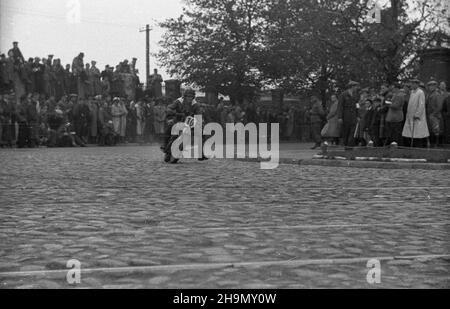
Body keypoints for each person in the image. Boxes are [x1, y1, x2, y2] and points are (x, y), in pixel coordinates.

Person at [161, 88, 207, 161]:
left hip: (189, 122)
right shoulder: (178, 101)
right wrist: (172, 112)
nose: (189, 98)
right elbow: (169, 108)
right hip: (178, 119)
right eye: (188, 96)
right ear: (184, 96)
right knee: (169, 127)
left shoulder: (195, 104)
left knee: (202, 132)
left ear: (193, 97)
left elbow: (199, 114)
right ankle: (164, 145)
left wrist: (201, 122)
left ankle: (200, 153)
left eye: (191, 96)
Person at [402, 78, 429, 148]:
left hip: (417, 117)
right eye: (412, 83)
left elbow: (421, 104)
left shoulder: (420, 92)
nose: (412, 85)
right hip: (410, 116)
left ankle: (419, 148)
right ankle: (413, 147)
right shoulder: (412, 92)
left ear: (417, 84)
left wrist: (417, 114)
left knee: (418, 134)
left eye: (414, 83)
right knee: (411, 134)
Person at [338, 81, 360, 147]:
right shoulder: (343, 94)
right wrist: (340, 117)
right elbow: (340, 106)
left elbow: (357, 105)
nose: (357, 88)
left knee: (352, 132)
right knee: (346, 132)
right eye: (356, 86)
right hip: (345, 115)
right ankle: (346, 146)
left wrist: (358, 115)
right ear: (352, 86)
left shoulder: (356, 95)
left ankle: (350, 147)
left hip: (353, 115)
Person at [426, 80, 443, 147]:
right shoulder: (429, 94)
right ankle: (432, 143)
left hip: (435, 115)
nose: (431, 87)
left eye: (432, 85)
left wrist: (434, 114)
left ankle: (437, 144)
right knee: (431, 129)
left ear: (435, 86)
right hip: (430, 114)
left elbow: (439, 106)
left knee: (436, 130)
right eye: (430, 86)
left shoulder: (437, 94)